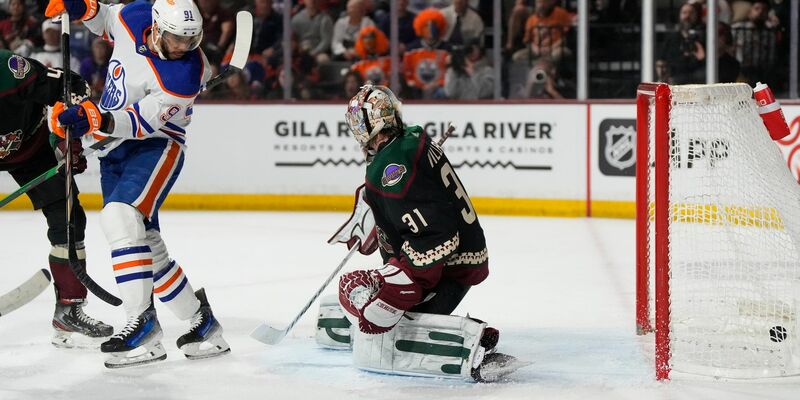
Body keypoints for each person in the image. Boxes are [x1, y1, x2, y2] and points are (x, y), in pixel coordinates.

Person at [45, 0, 230, 368]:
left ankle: (141, 323)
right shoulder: (135, 15)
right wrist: (82, 7)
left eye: (191, 41)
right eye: (177, 39)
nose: (183, 48)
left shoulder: (183, 77)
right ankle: (202, 324)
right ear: (157, 27)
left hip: (155, 147)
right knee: (147, 245)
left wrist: (92, 118)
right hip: (114, 152)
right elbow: (107, 21)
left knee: (118, 219)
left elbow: (140, 123)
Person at [328, 83, 524, 382]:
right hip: (462, 256)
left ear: (372, 123)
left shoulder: (392, 165)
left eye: (358, 123)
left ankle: (460, 345)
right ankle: (459, 332)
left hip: (443, 264)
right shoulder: (409, 141)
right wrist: (383, 221)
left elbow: (437, 235)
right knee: (376, 299)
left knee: (363, 295)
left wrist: (399, 286)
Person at [0, 49, 113, 347]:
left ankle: (69, 308)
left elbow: (72, 86)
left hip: (32, 148)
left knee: (68, 221)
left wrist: (68, 135)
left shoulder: (11, 71)